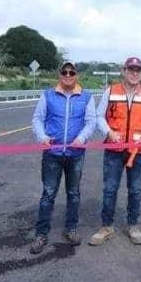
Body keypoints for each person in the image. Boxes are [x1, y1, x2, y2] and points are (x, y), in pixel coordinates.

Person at [89, 57, 141, 246]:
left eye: (138, 69)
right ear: (124, 70)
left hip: (138, 151)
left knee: (135, 190)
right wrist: (108, 132)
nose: (134, 72)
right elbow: (99, 116)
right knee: (110, 189)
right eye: (131, 69)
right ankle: (106, 226)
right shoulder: (110, 91)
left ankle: (132, 225)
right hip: (114, 149)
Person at [30, 61, 97, 254]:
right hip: (52, 154)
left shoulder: (86, 96)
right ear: (60, 75)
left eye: (72, 72)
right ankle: (41, 234)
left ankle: (71, 229)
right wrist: (42, 137)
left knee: (73, 194)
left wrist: (82, 138)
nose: (68, 75)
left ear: (77, 75)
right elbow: (37, 119)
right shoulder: (48, 95)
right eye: (65, 72)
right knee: (48, 194)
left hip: (76, 154)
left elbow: (91, 121)